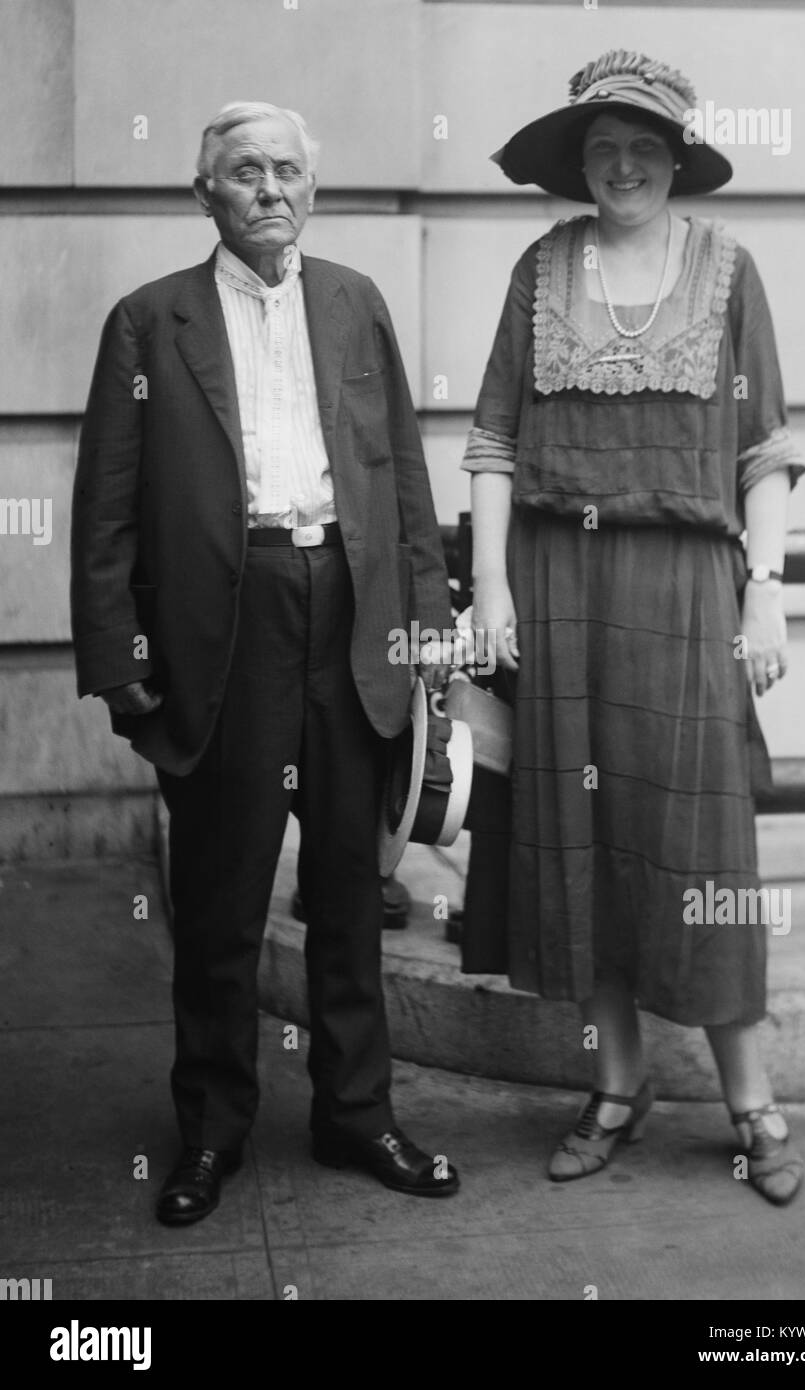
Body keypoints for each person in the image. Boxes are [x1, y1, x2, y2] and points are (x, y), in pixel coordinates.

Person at [71, 101, 459, 1224]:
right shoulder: (150, 322)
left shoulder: (353, 303)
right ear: (207, 193)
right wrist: (118, 656)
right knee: (222, 896)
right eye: (245, 172)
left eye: (288, 169)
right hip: (223, 625)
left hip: (347, 608)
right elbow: (104, 510)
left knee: (348, 885)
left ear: (312, 187)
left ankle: (356, 1115)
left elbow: (402, 480)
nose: (270, 189)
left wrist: (426, 621)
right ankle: (210, 1133)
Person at [464, 52, 805, 1205]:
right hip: (560, 584)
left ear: (674, 158)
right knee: (582, 835)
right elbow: (494, 442)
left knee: (706, 850)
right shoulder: (540, 267)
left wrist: (765, 589)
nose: (622, 165)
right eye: (602, 145)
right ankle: (615, 1087)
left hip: (686, 585)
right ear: (580, 160)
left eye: (643, 146)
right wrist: (492, 593)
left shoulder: (728, 269)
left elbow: (764, 450)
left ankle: (751, 1102)